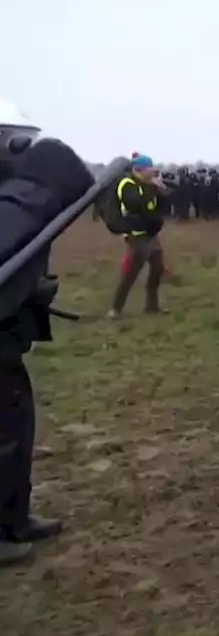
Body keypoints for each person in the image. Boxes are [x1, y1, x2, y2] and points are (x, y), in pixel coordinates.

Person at [0, 104, 94, 565]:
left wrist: (30, 291)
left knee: (15, 426)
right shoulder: (14, 203)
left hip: (5, 340)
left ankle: (13, 517)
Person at [107, 153, 168, 319]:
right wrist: (153, 188)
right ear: (138, 170)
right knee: (130, 274)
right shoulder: (127, 184)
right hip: (136, 236)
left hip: (151, 235)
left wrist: (161, 192)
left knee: (158, 269)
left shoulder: (149, 185)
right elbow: (135, 204)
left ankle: (152, 306)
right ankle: (115, 309)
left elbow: (160, 206)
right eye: (151, 169)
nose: (154, 172)